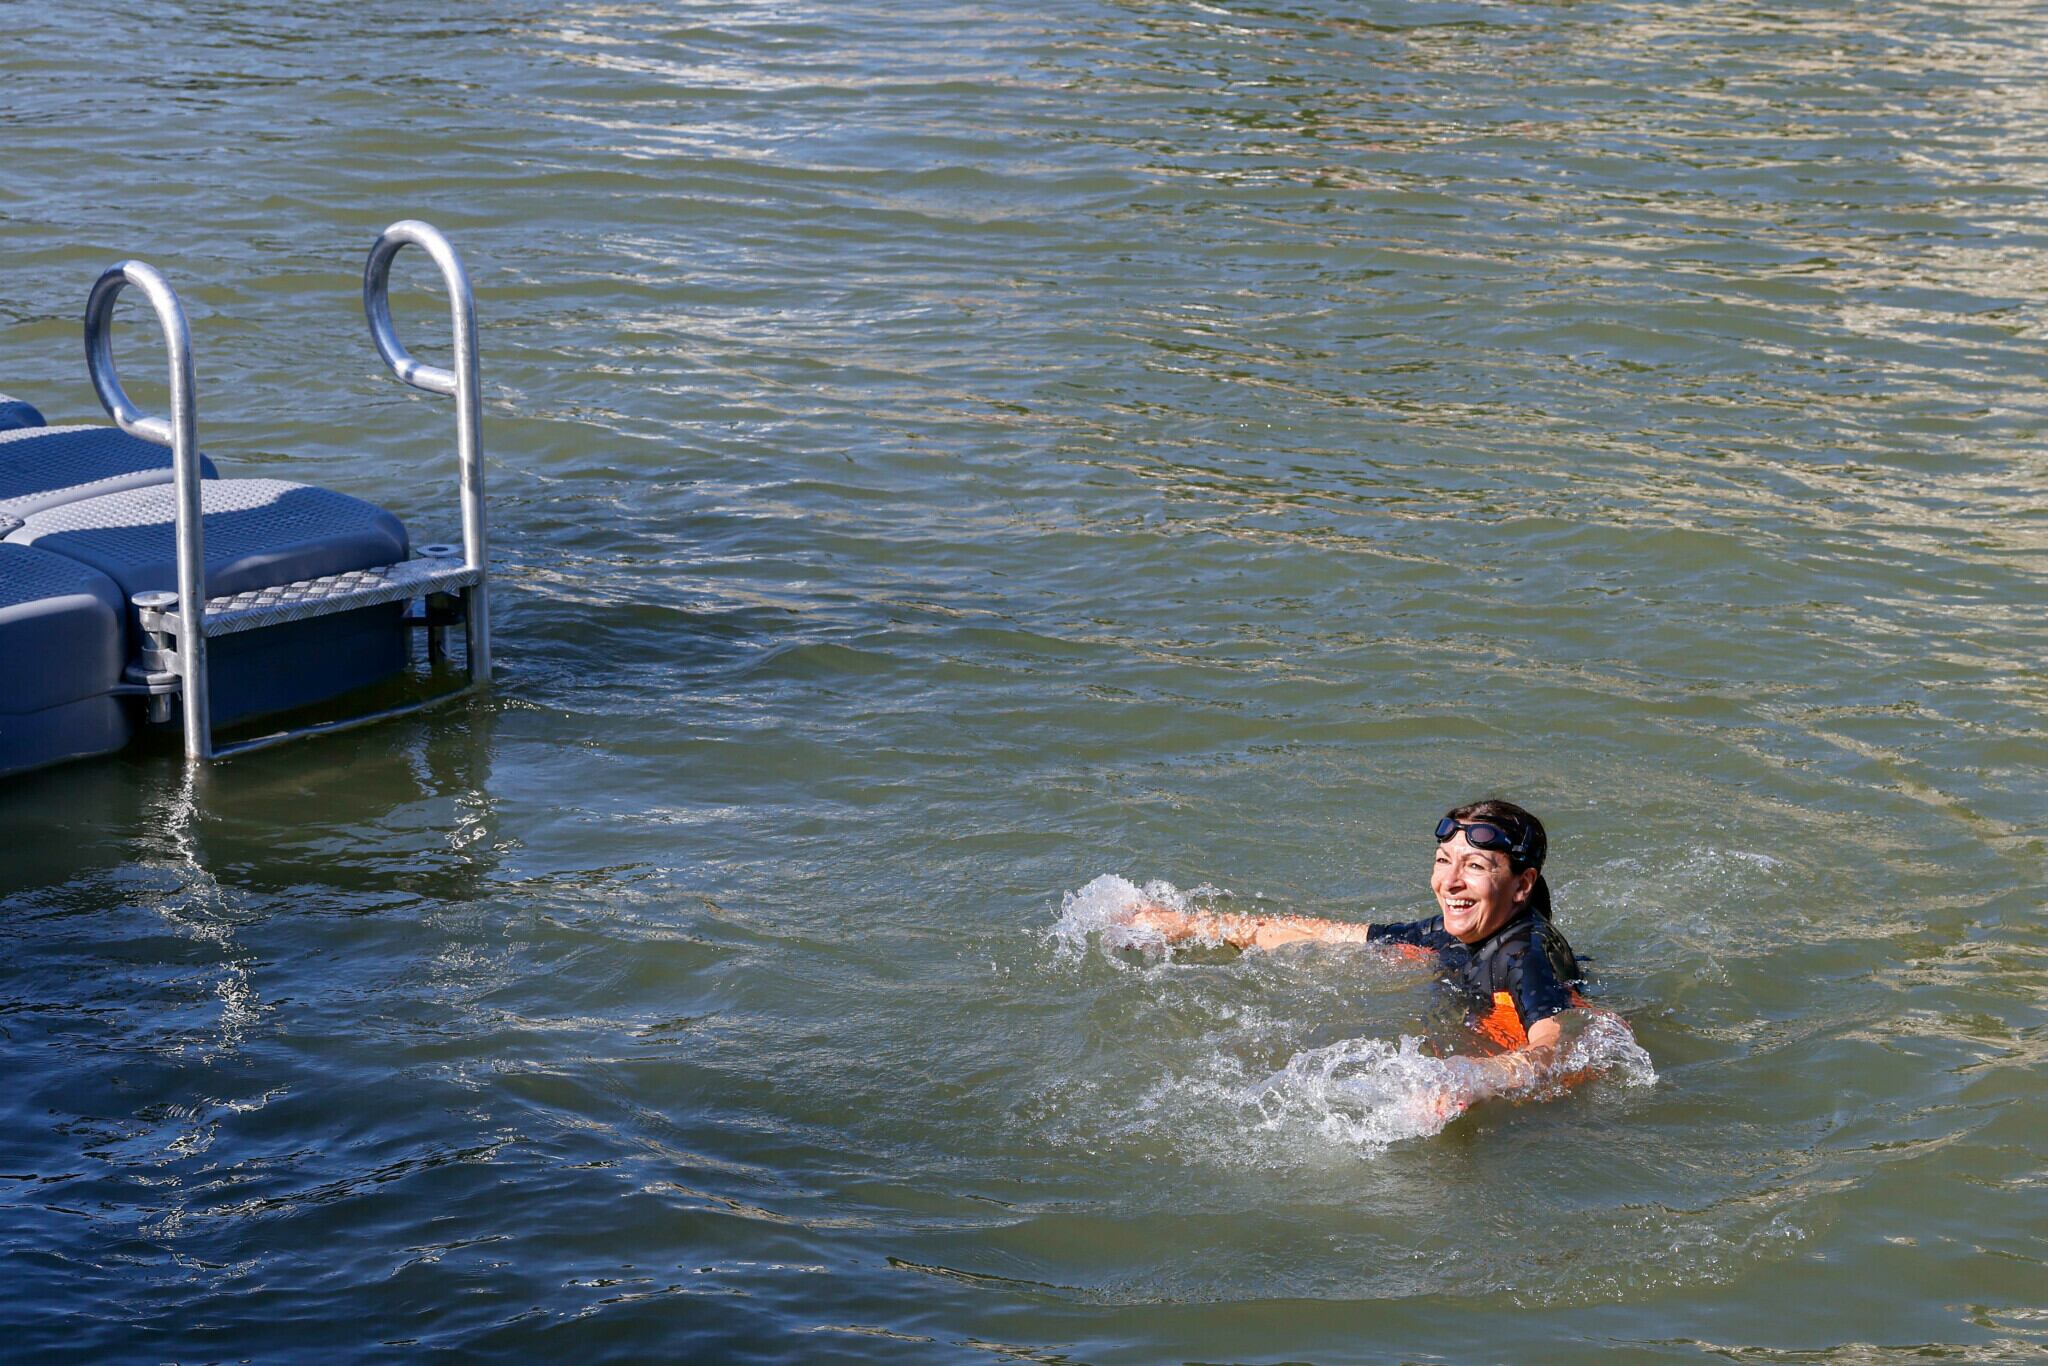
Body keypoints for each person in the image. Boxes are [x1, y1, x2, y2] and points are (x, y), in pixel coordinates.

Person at [1129, 798, 1605, 1110]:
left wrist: (1469, 1081)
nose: (1450, 882)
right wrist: (1189, 925)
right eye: (1443, 861)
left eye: (1475, 866)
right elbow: (1329, 935)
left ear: (1522, 884)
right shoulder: (1452, 933)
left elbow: (1557, 1046)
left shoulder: (1524, 954)